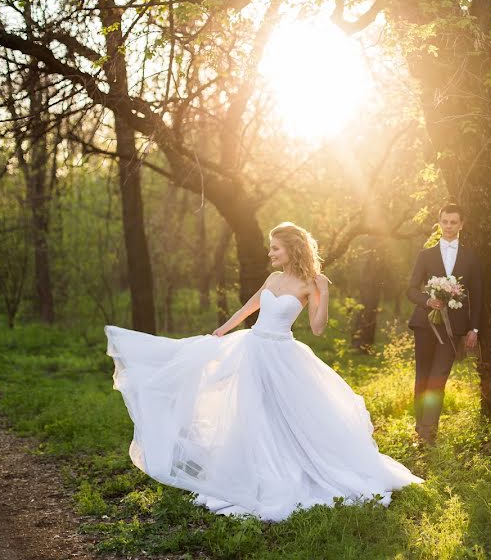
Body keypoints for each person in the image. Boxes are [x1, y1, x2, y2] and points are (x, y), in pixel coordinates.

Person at [104, 222, 422, 522]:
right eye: (271, 249)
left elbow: (318, 328)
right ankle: (252, 468)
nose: (270, 254)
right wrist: (222, 330)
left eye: (275, 249)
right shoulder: (272, 280)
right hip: (253, 348)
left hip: (283, 354)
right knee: (250, 410)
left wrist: (323, 293)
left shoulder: (311, 283)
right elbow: (250, 307)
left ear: (292, 249)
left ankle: (292, 466)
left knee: (285, 414)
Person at [406, 203, 483, 444]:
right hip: (425, 325)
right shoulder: (425, 255)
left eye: (453, 222)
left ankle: (429, 433)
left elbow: (478, 295)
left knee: (438, 377)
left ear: (462, 224)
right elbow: (409, 290)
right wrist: (428, 300)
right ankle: (420, 427)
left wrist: (474, 328)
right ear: (439, 222)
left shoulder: (471, 257)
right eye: (445, 221)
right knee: (423, 377)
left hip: (453, 329)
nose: (448, 226)